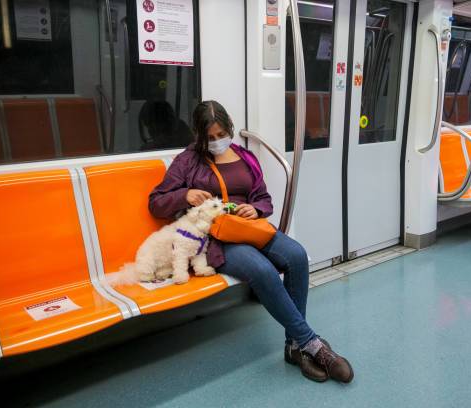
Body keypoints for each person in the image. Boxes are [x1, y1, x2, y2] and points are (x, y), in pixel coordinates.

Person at [148, 100, 354, 383]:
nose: (218, 142)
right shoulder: (188, 161)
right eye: (210, 138)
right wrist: (185, 195)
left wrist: (255, 209)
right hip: (215, 239)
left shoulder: (245, 157)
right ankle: (311, 344)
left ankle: (295, 345)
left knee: (296, 255)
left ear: (230, 128)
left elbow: (264, 198)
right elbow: (156, 203)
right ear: (199, 136)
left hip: (249, 228)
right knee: (262, 270)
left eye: (222, 134)